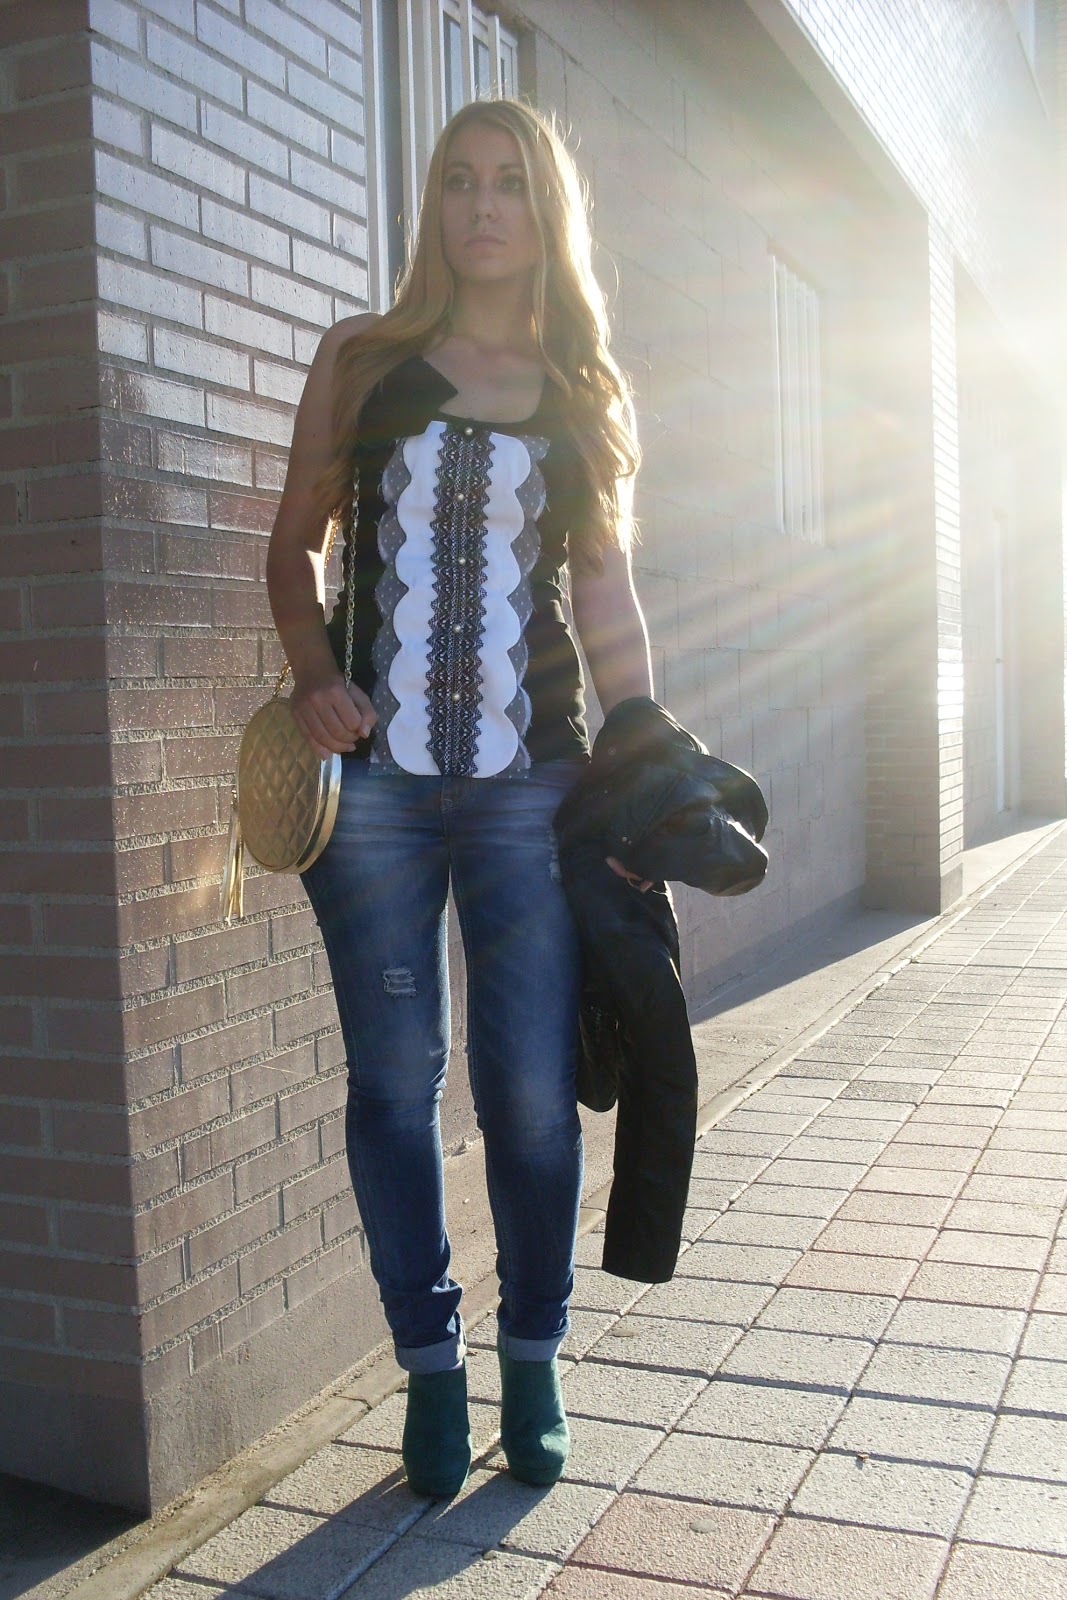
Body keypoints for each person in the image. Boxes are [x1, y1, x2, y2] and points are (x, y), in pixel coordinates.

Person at [265, 97, 652, 1500]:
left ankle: (532, 1357)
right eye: (459, 182)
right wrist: (315, 675)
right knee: (391, 1081)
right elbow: (291, 551)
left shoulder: (581, 385)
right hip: (372, 795)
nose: (483, 206)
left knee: (532, 1092)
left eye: (510, 184)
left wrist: (642, 745)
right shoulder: (362, 360)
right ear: (432, 204)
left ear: (548, 214)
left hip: (533, 791)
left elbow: (605, 596)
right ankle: (430, 1372)